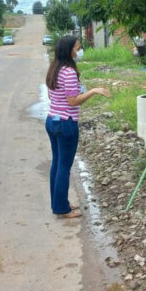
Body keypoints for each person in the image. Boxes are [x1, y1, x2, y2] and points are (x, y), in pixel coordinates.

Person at [45, 35, 111, 218]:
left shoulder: (54, 68)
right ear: (69, 50)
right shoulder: (69, 72)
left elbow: (53, 97)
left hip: (52, 120)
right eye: (77, 47)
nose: (79, 50)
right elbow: (73, 101)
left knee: (57, 163)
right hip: (66, 124)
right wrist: (94, 91)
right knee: (64, 166)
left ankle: (58, 204)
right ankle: (61, 209)